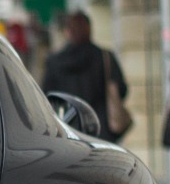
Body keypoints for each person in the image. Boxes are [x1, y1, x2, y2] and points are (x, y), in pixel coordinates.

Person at [42, 10, 129, 142]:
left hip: (68, 132)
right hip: (102, 131)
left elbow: (46, 98)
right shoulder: (105, 57)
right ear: (89, 29)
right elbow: (122, 90)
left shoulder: (54, 62)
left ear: (67, 31)